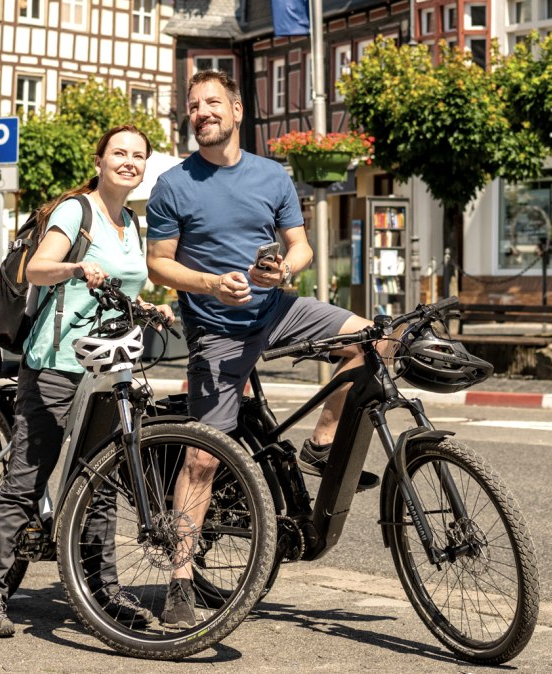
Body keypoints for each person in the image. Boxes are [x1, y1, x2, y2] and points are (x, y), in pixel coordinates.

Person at [145, 70, 379, 629]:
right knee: (203, 456)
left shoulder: (272, 176)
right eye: (194, 105)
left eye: (213, 103)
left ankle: (322, 446)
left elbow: (300, 249)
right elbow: (159, 263)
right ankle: (180, 577)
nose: (203, 112)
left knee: (375, 340)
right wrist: (210, 283)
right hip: (217, 330)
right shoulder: (174, 185)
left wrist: (278, 271)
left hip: (275, 310)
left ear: (237, 109)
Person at [0, 124, 172, 638]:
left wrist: (149, 307)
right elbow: (38, 269)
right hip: (57, 362)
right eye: (119, 153)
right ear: (100, 160)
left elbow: (119, 289)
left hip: (108, 365)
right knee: (26, 479)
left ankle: (101, 589)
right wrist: (78, 268)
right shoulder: (76, 211)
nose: (129, 161)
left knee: (99, 482)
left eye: (138, 156)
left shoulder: (131, 221)